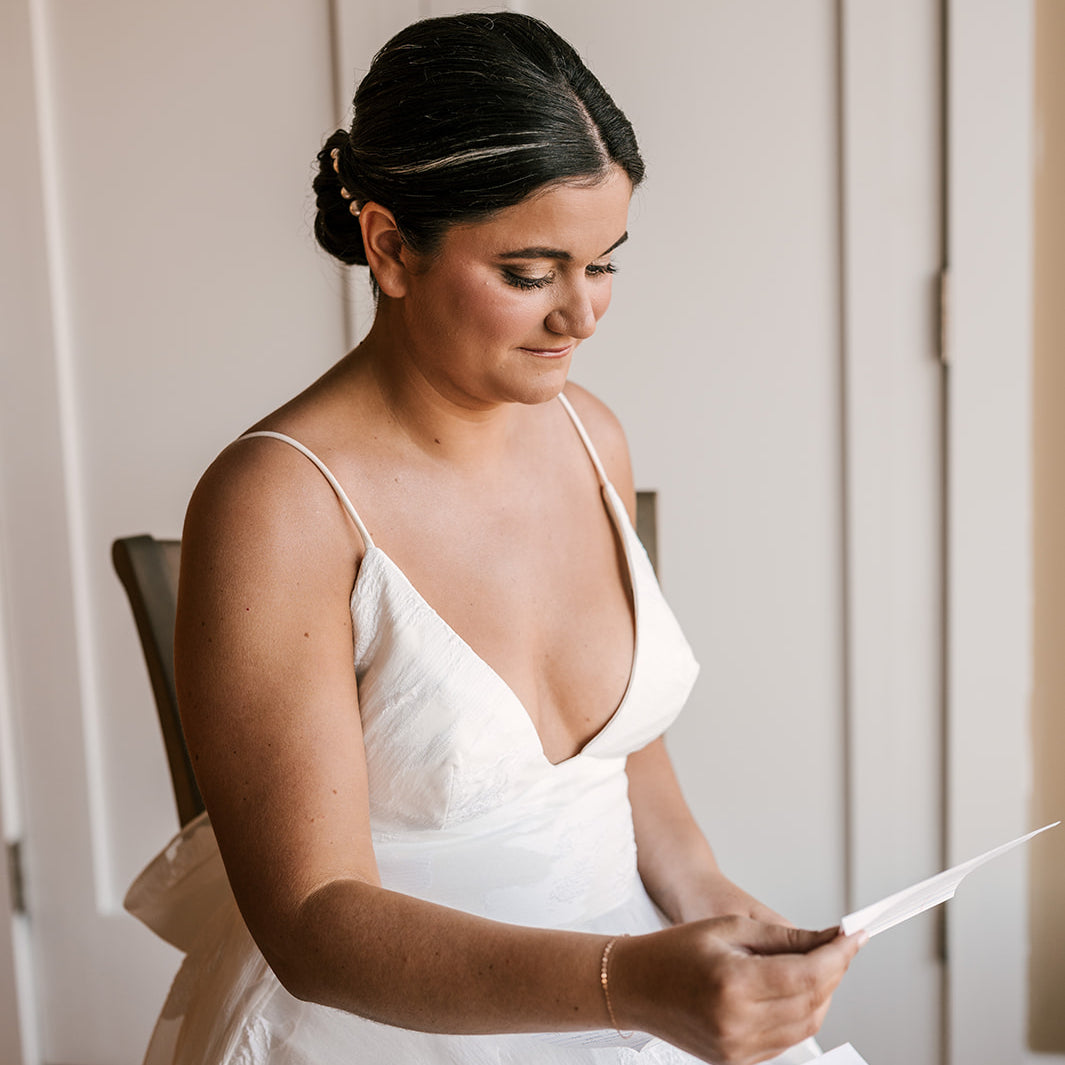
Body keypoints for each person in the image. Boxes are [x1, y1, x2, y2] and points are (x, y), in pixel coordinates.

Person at [125, 12, 863, 1065]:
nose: (583, 316)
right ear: (389, 246)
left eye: (604, 263)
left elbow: (631, 767)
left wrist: (738, 930)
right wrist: (627, 983)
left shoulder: (589, 434)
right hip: (386, 1027)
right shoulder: (277, 505)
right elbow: (312, 922)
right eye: (531, 272)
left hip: (637, 992)